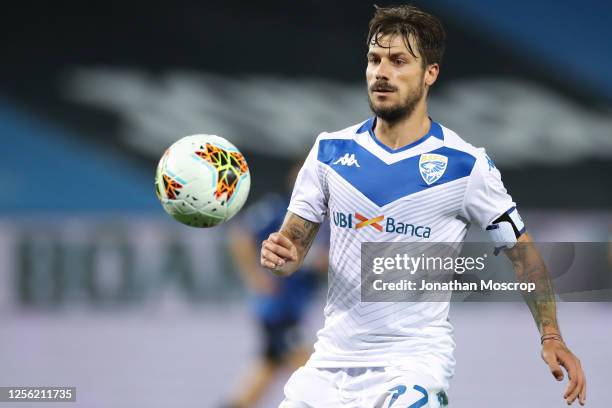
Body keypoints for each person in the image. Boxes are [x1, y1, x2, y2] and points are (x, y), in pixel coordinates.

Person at [259, 5, 586, 407]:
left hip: (411, 365)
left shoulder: (465, 165)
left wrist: (551, 336)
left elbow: (524, 255)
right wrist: (282, 254)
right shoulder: (328, 152)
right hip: (329, 366)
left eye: (399, 62)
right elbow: (292, 248)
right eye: (375, 60)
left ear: (430, 73)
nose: (382, 72)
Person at [223, 163, 327, 408]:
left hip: (292, 308)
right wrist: (255, 276)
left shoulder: (325, 217)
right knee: (314, 372)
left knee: (263, 373)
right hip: (278, 309)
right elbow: (241, 236)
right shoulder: (278, 208)